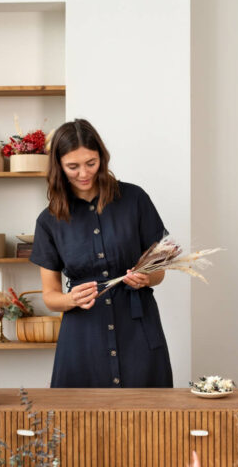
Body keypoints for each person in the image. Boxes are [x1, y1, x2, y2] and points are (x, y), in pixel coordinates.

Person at [29, 118, 173, 388]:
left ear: (102, 158)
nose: (83, 173)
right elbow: (50, 296)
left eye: (91, 163)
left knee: (150, 422)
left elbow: (159, 270)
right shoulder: (48, 221)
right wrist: (70, 299)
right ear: (59, 166)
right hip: (83, 339)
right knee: (78, 425)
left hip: (138, 332)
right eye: (73, 166)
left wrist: (147, 278)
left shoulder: (134, 200)